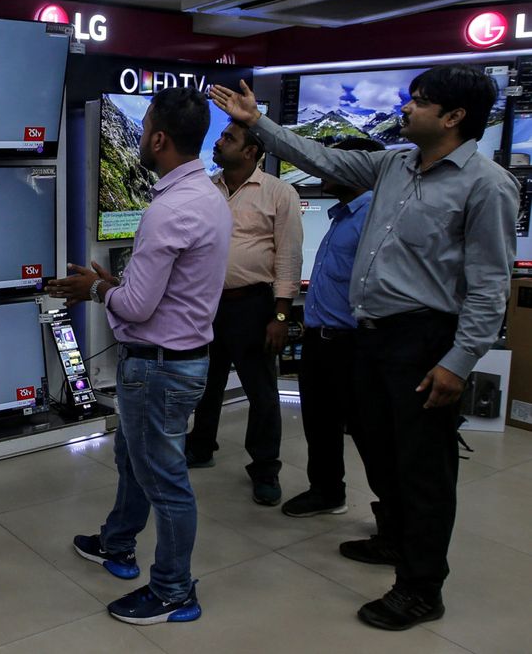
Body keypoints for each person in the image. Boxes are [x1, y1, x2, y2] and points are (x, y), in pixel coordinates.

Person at [211, 65, 518, 631]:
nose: (406, 108)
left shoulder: (487, 184)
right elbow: (322, 159)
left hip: (425, 341)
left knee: (423, 468)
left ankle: (421, 587)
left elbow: (489, 284)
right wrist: (260, 123)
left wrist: (460, 360)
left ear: (453, 118)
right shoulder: (394, 164)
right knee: (379, 451)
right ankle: (394, 540)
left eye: (419, 102)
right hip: (370, 338)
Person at [47, 87, 231, 626]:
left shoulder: (168, 210)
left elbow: (137, 304)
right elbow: (167, 289)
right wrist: (117, 283)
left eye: (147, 124)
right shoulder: (209, 196)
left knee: (164, 480)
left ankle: (174, 590)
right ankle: (117, 542)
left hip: (157, 367)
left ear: (157, 138)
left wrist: (97, 291)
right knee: (135, 459)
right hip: (179, 357)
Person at [186, 121, 304, 507]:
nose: (218, 143)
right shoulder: (206, 188)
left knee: (262, 392)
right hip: (207, 303)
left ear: (252, 151)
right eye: (219, 136)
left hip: (254, 306)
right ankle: (201, 446)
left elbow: (288, 256)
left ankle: (266, 468)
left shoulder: (278, 193)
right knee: (206, 382)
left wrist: (281, 316)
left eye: (228, 138)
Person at [282, 137, 383, 519]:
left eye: (336, 163)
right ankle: (326, 491)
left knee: (370, 434)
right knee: (320, 424)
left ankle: (395, 525)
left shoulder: (374, 218)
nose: (325, 170)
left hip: (353, 344)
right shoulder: (345, 215)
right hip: (320, 341)